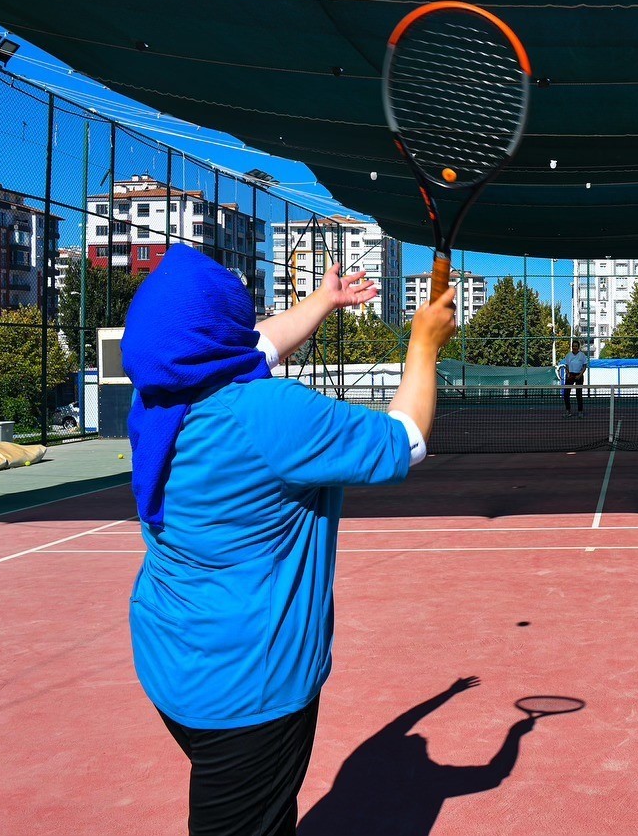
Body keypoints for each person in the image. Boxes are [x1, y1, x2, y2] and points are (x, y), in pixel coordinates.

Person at [120, 245, 455, 836]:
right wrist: (423, 345)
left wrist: (323, 301)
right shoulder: (269, 414)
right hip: (249, 684)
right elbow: (406, 440)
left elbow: (254, 347)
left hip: (172, 661)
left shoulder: (156, 395)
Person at [559, 338, 589, 418]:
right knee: (566, 394)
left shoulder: (582, 355)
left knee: (578, 394)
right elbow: (566, 365)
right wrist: (568, 373)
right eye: (573, 346)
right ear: (572, 347)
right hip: (570, 375)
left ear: (578, 347)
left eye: (576, 346)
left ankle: (580, 412)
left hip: (579, 375)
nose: (574, 347)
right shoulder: (568, 355)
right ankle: (568, 411)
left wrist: (580, 375)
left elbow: (585, 366)